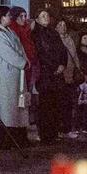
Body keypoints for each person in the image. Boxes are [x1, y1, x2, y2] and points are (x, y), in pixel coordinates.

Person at [0, 8, 30, 152]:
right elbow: (6, 51)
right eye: (7, 16)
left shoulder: (9, 31)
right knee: (6, 105)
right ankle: (6, 140)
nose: (10, 18)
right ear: (1, 17)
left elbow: (20, 48)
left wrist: (25, 60)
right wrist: (22, 62)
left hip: (15, 72)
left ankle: (18, 137)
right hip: (4, 72)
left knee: (17, 105)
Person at [31, 10, 67, 146]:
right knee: (45, 105)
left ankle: (53, 132)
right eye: (43, 16)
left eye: (47, 15)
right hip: (45, 73)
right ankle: (45, 134)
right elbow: (40, 53)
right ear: (37, 19)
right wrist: (53, 67)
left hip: (56, 73)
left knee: (55, 103)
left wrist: (62, 64)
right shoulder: (35, 34)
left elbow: (63, 50)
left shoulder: (53, 33)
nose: (46, 17)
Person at [54, 17, 83, 137]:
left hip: (70, 75)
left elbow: (74, 55)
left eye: (64, 25)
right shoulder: (54, 38)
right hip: (61, 74)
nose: (63, 27)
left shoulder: (69, 38)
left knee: (69, 103)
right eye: (60, 25)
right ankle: (61, 129)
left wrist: (78, 68)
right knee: (61, 103)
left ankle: (68, 128)